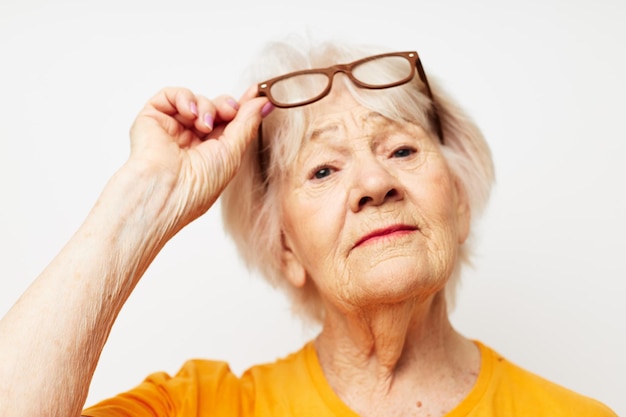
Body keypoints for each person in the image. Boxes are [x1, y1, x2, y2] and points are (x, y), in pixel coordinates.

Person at [0, 36, 617, 417]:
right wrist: (141, 202)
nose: (375, 184)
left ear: (457, 201)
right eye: (323, 169)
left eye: (401, 151)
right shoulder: (198, 408)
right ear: (285, 244)